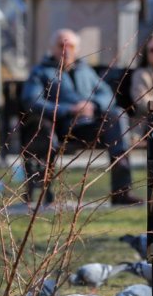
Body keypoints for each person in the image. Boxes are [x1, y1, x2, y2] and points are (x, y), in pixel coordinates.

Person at [21, 29, 143, 205]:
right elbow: (32, 101)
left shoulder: (85, 70)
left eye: (70, 45)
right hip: (60, 127)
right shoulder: (41, 72)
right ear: (52, 48)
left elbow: (107, 95)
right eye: (61, 45)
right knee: (45, 130)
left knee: (117, 116)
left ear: (77, 49)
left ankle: (121, 192)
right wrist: (69, 109)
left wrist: (92, 106)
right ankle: (44, 195)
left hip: (89, 126)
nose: (66, 49)